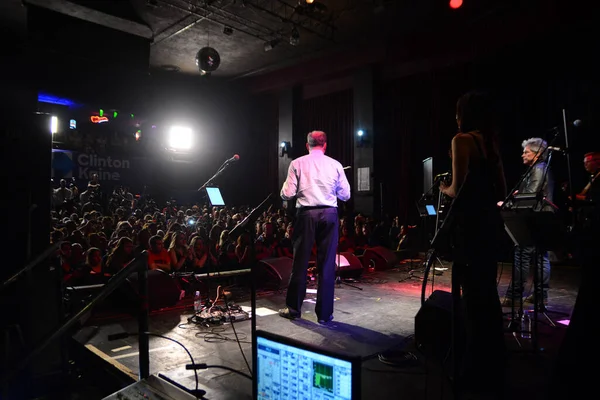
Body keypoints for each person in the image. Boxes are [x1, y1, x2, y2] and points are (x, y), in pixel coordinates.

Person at [438, 90, 507, 398]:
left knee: (470, 298)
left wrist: (442, 187)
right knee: (487, 295)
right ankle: (494, 365)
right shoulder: (490, 143)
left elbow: (458, 187)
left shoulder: (461, 140)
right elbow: (501, 189)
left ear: (463, 114)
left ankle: (471, 370)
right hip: (490, 225)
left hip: (469, 228)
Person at [278, 130, 351, 324]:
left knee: (300, 263)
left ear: (307, 145)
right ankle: (325, 315)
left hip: (307, 215)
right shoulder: (335, 165)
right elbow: (346, 195)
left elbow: (288, 193)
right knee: (326, 265)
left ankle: (293, 309)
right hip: (329, 214)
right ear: (325, 145)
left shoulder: (297, 163)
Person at [502, 137, 554, 308]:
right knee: (540, 257)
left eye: (526, 152)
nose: (522, 154)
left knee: (523, 255)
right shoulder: (539, 169)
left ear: (538, 154)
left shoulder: (538, 169)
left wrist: (508, 203)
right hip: (542, 217)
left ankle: (514, 296)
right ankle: (540, 296)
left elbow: (531, 196)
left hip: (534, 218)